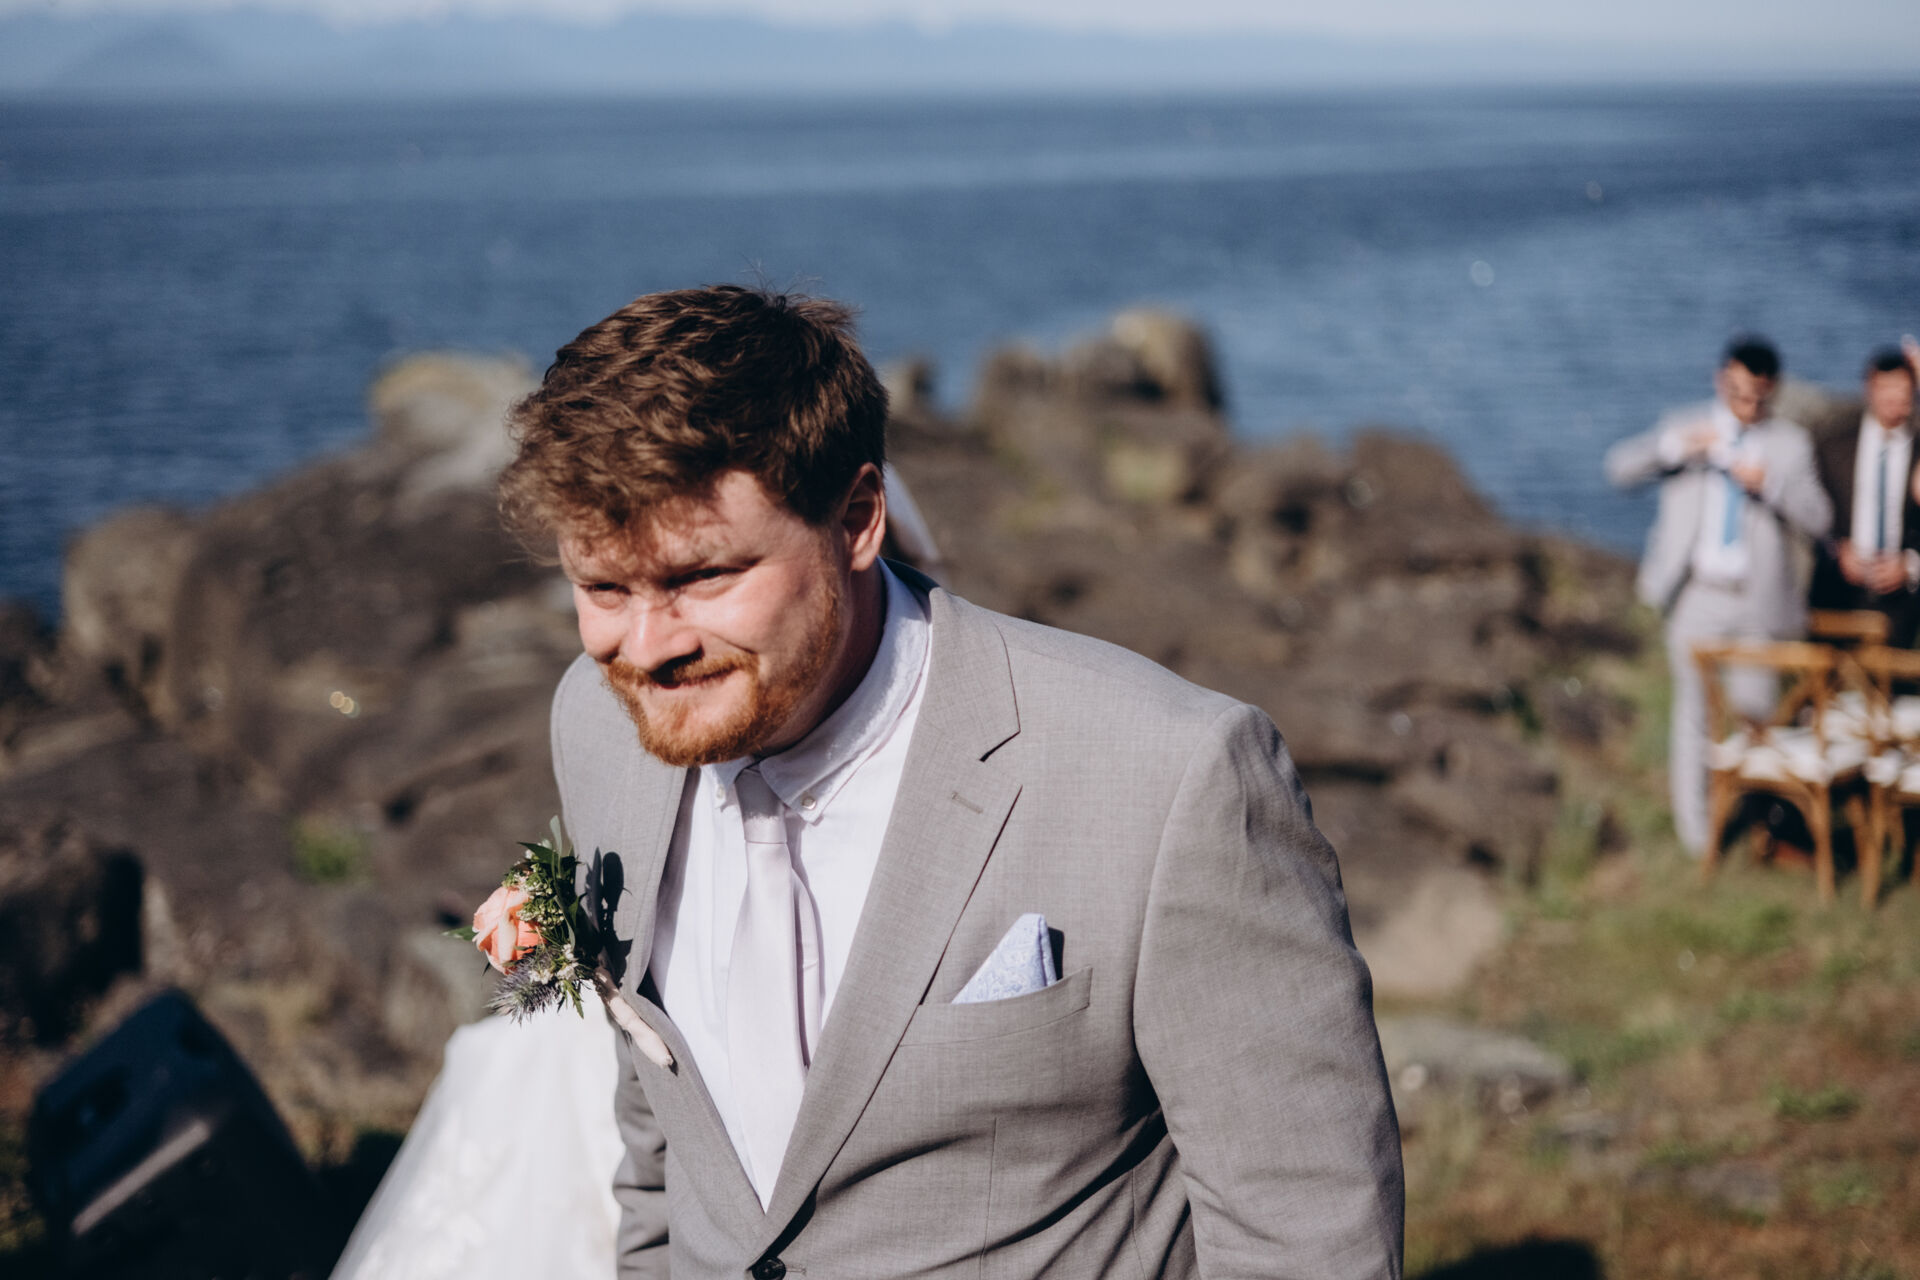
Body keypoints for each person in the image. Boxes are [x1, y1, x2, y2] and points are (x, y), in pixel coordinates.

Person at [495, 285, 1403, 1279]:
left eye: (701, 577)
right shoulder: (599, 724)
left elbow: (1307, 1234)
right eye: (603, 587)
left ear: (857, 519)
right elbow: (664, 1135)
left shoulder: (1171, 776)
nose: (645, 648)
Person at [1604, 335, 1832, 856]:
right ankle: (1697, 837)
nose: (1743, 405)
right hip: (1696, 596)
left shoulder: (1789, 445)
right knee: (1693, 714)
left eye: (1755, 396)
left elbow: (1820, 519)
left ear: (1771, 391)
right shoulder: (1686, 426)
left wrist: (1771, 486)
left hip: (1757, 600)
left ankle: (1757, 822)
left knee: (1756, 713)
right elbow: (1618, 468)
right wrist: (1678, 447)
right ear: (1720, 379)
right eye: (1735, 392)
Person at [1810, 346, 1920, 645]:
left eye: (1902, 388)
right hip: (1838, 594)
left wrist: (1909, 566)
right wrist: (1837, 549)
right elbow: (1812, 511)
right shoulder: (1834, 444)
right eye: (1886, 387)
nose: (1894, 397)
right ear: (1869, 387)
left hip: (1900, 605)